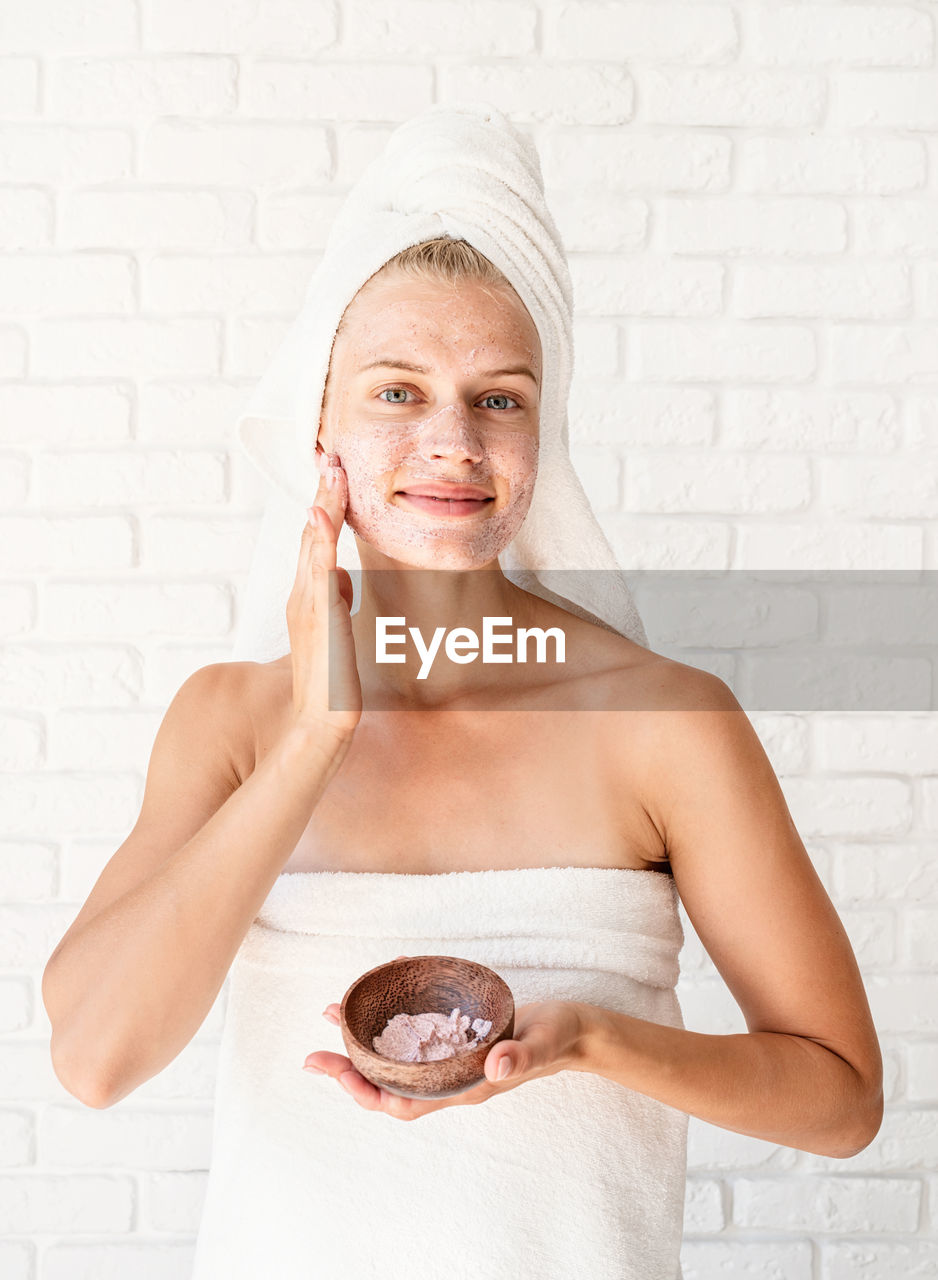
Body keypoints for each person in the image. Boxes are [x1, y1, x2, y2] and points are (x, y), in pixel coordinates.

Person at [42, 122, 883, 1280]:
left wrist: (591, 1037)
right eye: (398, 390)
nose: (450, 442)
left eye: (499, 399)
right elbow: (93, 1057)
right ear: (319, 429)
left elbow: (837, 1097)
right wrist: (314, 737)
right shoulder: (231, 723)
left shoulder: (663, 724)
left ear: (544, 430)